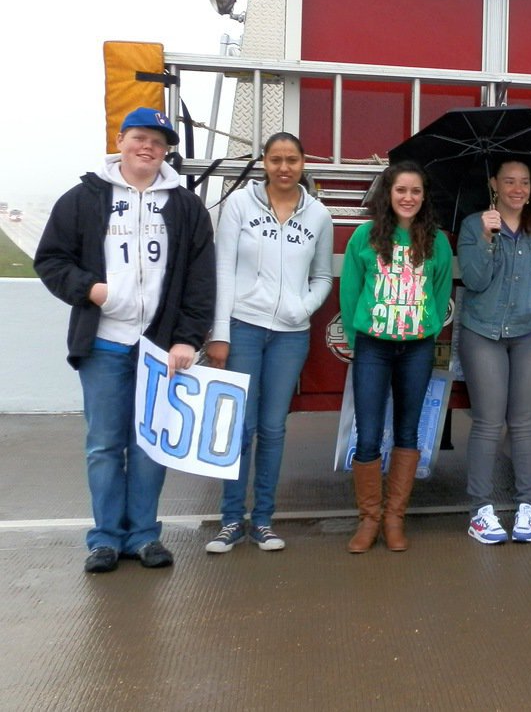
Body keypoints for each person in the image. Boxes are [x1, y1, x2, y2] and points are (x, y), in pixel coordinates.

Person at [34, 107, 215, 573]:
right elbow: (51, 260)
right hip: (104, 344)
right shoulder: (83, 198)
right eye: (139, 137)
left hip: (160, 348)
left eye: (157, 141)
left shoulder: (185, 204)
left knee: (150, 445)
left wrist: (187, 339)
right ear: (120, 139)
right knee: (104, 445)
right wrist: (90, 290)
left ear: (166, 150)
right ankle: (105, 539)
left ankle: (144, 535)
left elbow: (200, 279)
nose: (147, 147)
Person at [203, 132, 334, 554]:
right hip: (243, 326)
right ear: (264, 163)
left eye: (291, 160)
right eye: (276, 159)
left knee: (273, 428)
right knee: (240, 425)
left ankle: (262, 520)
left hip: (290, 335)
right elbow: (222, 270)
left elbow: (323, 276)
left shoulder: (318, 215)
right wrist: (219, 333)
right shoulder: (240, 204)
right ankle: (229, 521)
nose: (283, 168)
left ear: (302, 164)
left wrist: (304, 308)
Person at [339, 160, 452, 553]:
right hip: (373, 347)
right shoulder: (365, 237)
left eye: (416, 191)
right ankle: (368, 518)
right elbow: (350, 291)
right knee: (368, 433)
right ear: (388, 194)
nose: (408, 198)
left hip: (416, 348)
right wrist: (359, 338)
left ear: (424, 198)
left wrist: (425, 328)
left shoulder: (436, 241)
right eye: (401, 190)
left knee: (407, 431)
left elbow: (440, 293)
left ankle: (394, 518)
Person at [457, 160, 531, 544]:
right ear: (494, 185)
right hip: (482, 332)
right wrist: (486, 238)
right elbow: (474, 279)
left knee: (523, 423)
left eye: (524, 182)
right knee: (488, 422)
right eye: (509, 181)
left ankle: (526, 507)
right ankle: (481, 511)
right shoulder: (474, 225)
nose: (518, 188)